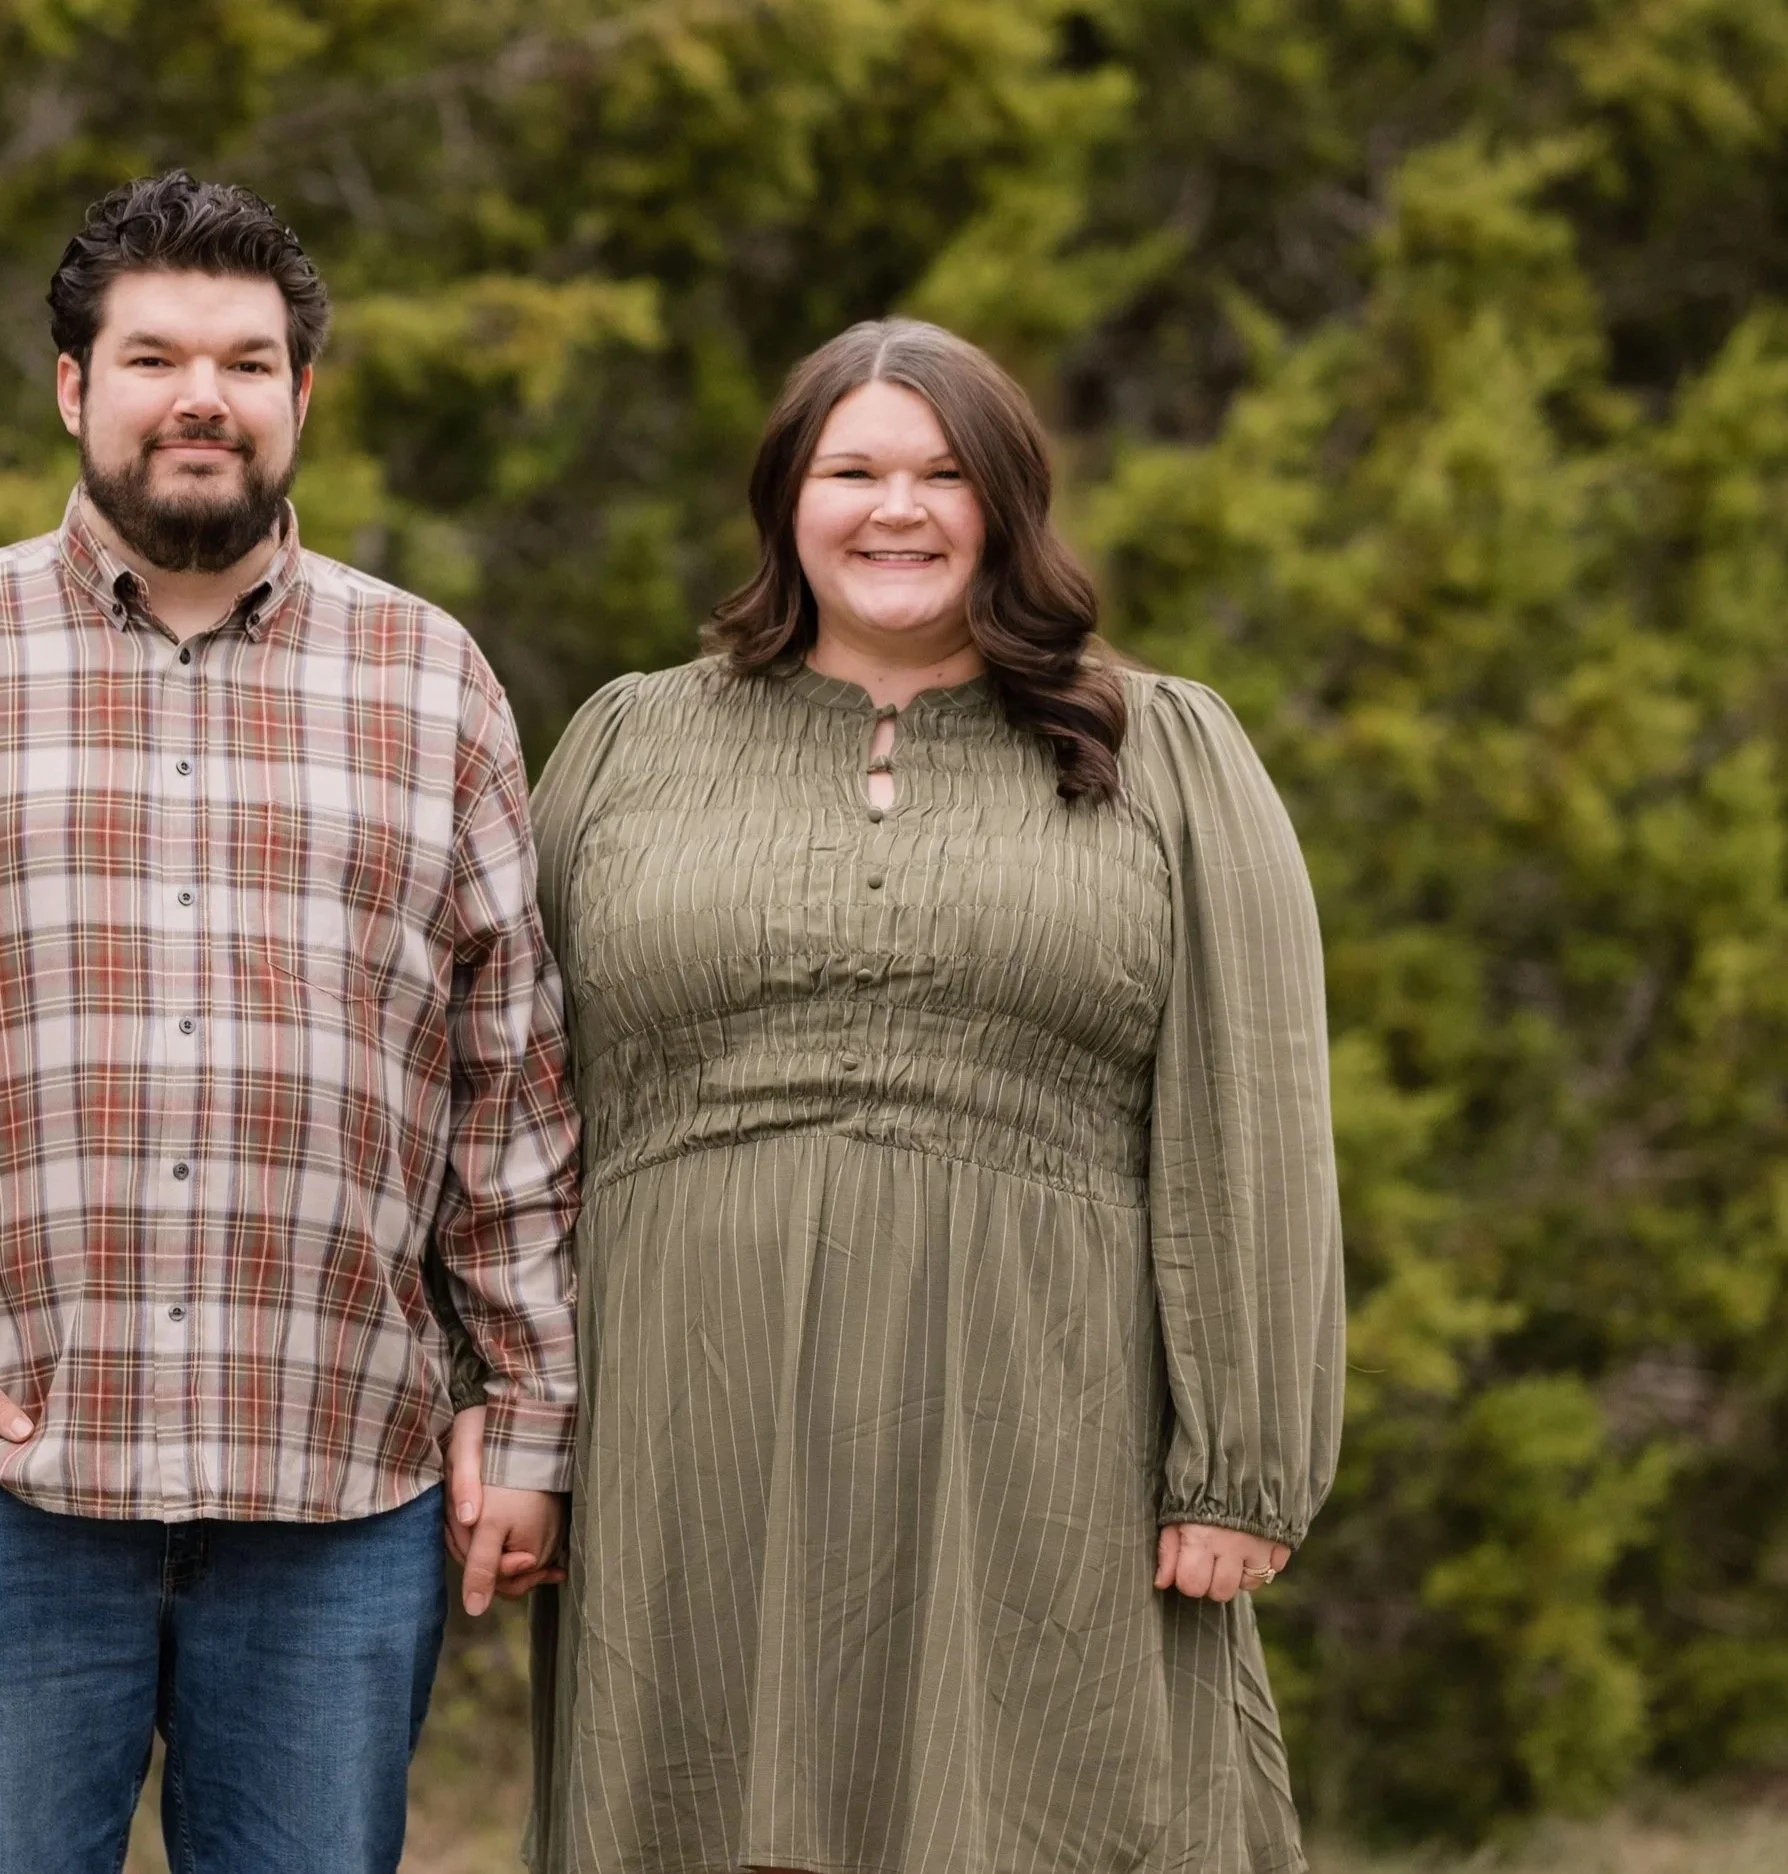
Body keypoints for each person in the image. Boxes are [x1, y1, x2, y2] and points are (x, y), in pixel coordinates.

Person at [0, 169, 575, 1874]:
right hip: (5, 1478)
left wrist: (534, 1407)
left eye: (247, 363)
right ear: (73, 387)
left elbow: (513, 1092)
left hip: (339, 1480)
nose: (203, 396)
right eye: (154, 358)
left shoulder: (435, 685)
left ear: (301, 397)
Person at [455, 317, 1344, 1873]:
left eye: (944, 472)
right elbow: (512, 1098)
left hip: (1042, 1418)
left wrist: (1242, 1458)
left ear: (1008, 502)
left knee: (1046, 1812)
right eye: (851, 468)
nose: (897, 508)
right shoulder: (627, 740)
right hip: (689, 1420)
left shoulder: (1171, 749)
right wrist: (521, 1419)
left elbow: (1251, 1104)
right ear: (784, 501)